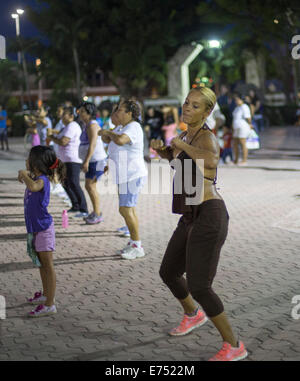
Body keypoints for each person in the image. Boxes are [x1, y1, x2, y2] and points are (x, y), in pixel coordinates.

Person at [150, 86, 248, 361]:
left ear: (207, 112)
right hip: (190, 215)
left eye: (195, 106)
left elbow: (211, 160)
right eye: (186, 103)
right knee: (168, 271)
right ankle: (193, 314)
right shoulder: (185, 135)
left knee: (200, 285)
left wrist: (181, 146)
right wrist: (165, 152)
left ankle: (234, 345)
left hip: (210, 213)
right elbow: (180, 161)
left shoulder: (206, 138)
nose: (187, 108)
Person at [18, 145, 65, 317]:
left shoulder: (42, 180)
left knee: (48, 266)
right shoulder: (36, 177)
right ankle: (46, 294)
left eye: (28, 158)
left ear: (36, 163)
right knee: (41, 265)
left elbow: (33, 187)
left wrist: (24, 175)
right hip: (36, 229)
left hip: (44, 229)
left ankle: (50, 304)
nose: (26, 161)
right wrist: (26, 175)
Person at [99, 100, 148, 259]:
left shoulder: (133, 127)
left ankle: (137, 245)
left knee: (126, 209)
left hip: (132, 175)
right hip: (124, 175)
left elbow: (119, 140)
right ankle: (134, 242)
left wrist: (107, 132)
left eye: (120, 110)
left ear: (129, 113)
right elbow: (111, 141)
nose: (117, 113)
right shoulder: (122, 127)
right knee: (128, 209)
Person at [48, 106, 89, 218]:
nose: (62, 116)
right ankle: (75, 205)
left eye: (64, 114)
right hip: (65, 160)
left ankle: (83, 208)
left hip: (73, 160)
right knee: (65, 183)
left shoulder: (72, 126)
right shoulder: (66, 127)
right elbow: (60, 138)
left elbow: (63, 141)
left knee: (74, 183)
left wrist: (53, 138)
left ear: (71, 116)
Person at [78, 102, 107, 224]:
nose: (80, 114)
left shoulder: (92, 125)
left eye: (82, 111)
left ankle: (97, 213)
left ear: (90, 113)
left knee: (90, 186)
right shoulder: (87, 125)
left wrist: (86, 161)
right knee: (89, 186)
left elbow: (93, 144)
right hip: (92, 160)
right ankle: (96, 212)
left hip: (96, 160)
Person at [232, 93, 253, 166]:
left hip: (243, 127)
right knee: (235, 143)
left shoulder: (244, 107)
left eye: (238, 100)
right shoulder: (237, 107)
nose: (236, 101)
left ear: (242, 100)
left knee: (242, 142)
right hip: (236, 127)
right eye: (236, 100)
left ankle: (244, 160)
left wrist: (250, 124)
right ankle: (236, 160)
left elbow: (248, 117)